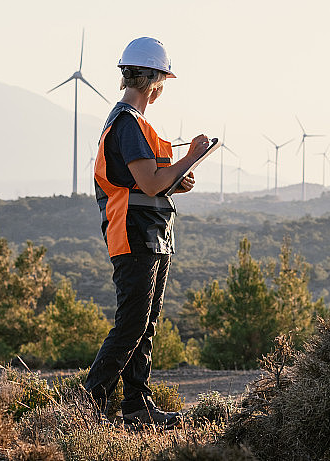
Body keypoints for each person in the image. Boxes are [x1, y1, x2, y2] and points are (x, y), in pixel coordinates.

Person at [84, 37, 209, 428]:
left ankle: (137, 407)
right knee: (133, 324)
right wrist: (192, 156)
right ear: (154, 79)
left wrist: (177, 179)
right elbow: (150, 183)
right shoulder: (127, 124)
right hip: (133, 233)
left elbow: (152, 182)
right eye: (163, 80)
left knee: (146, 323)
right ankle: (87, 405)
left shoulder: (135, 125)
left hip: (153, 234)